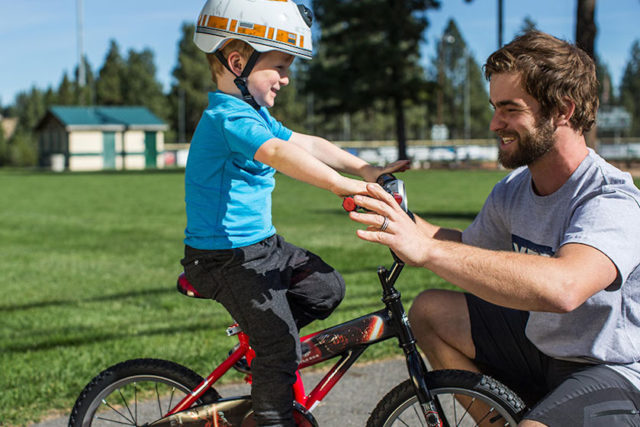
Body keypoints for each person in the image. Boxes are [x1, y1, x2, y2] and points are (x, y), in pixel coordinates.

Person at [349, 31, 640, 426]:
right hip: (544, 349)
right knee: (431, 311)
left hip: (614, 369)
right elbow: (470, 249)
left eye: (509, 109)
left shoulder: (611, 199)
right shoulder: (514, 189)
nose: (493, 123)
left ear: (563, 110)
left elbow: (564, 287)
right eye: (493, 107)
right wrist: (400, 220)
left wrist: (429, 250)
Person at [180, 1, 409, 425]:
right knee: (280, 346)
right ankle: (271, 404)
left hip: (261, 247)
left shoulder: (256, 114)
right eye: (280, 67)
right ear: (237, 62)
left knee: (326, 288)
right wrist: (348, 187)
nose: (286, 79)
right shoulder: (226, 117)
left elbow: (307, 143)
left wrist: (366, 170)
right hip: (222, 257)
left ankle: (264, 350)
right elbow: (280, 154)